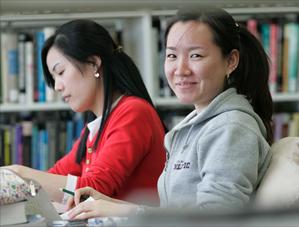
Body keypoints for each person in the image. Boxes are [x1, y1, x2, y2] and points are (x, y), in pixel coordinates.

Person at [65, 5, 274, 219]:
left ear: (230, 61)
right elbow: (176, 211)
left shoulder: (232, 128)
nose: (180, 70)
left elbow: (214, 219)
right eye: (172, 55)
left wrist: (122, 210)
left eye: (196, 55)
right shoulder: (197, 124)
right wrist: (106, 203)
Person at [2, 19, 166, 205]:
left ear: (94, 64)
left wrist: (20, 174)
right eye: (53, 78)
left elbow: (94, 189)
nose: (57, 86)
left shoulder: (134, 112)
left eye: (61, 72)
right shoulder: (96, 126)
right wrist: (19, 182)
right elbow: (56, 175)